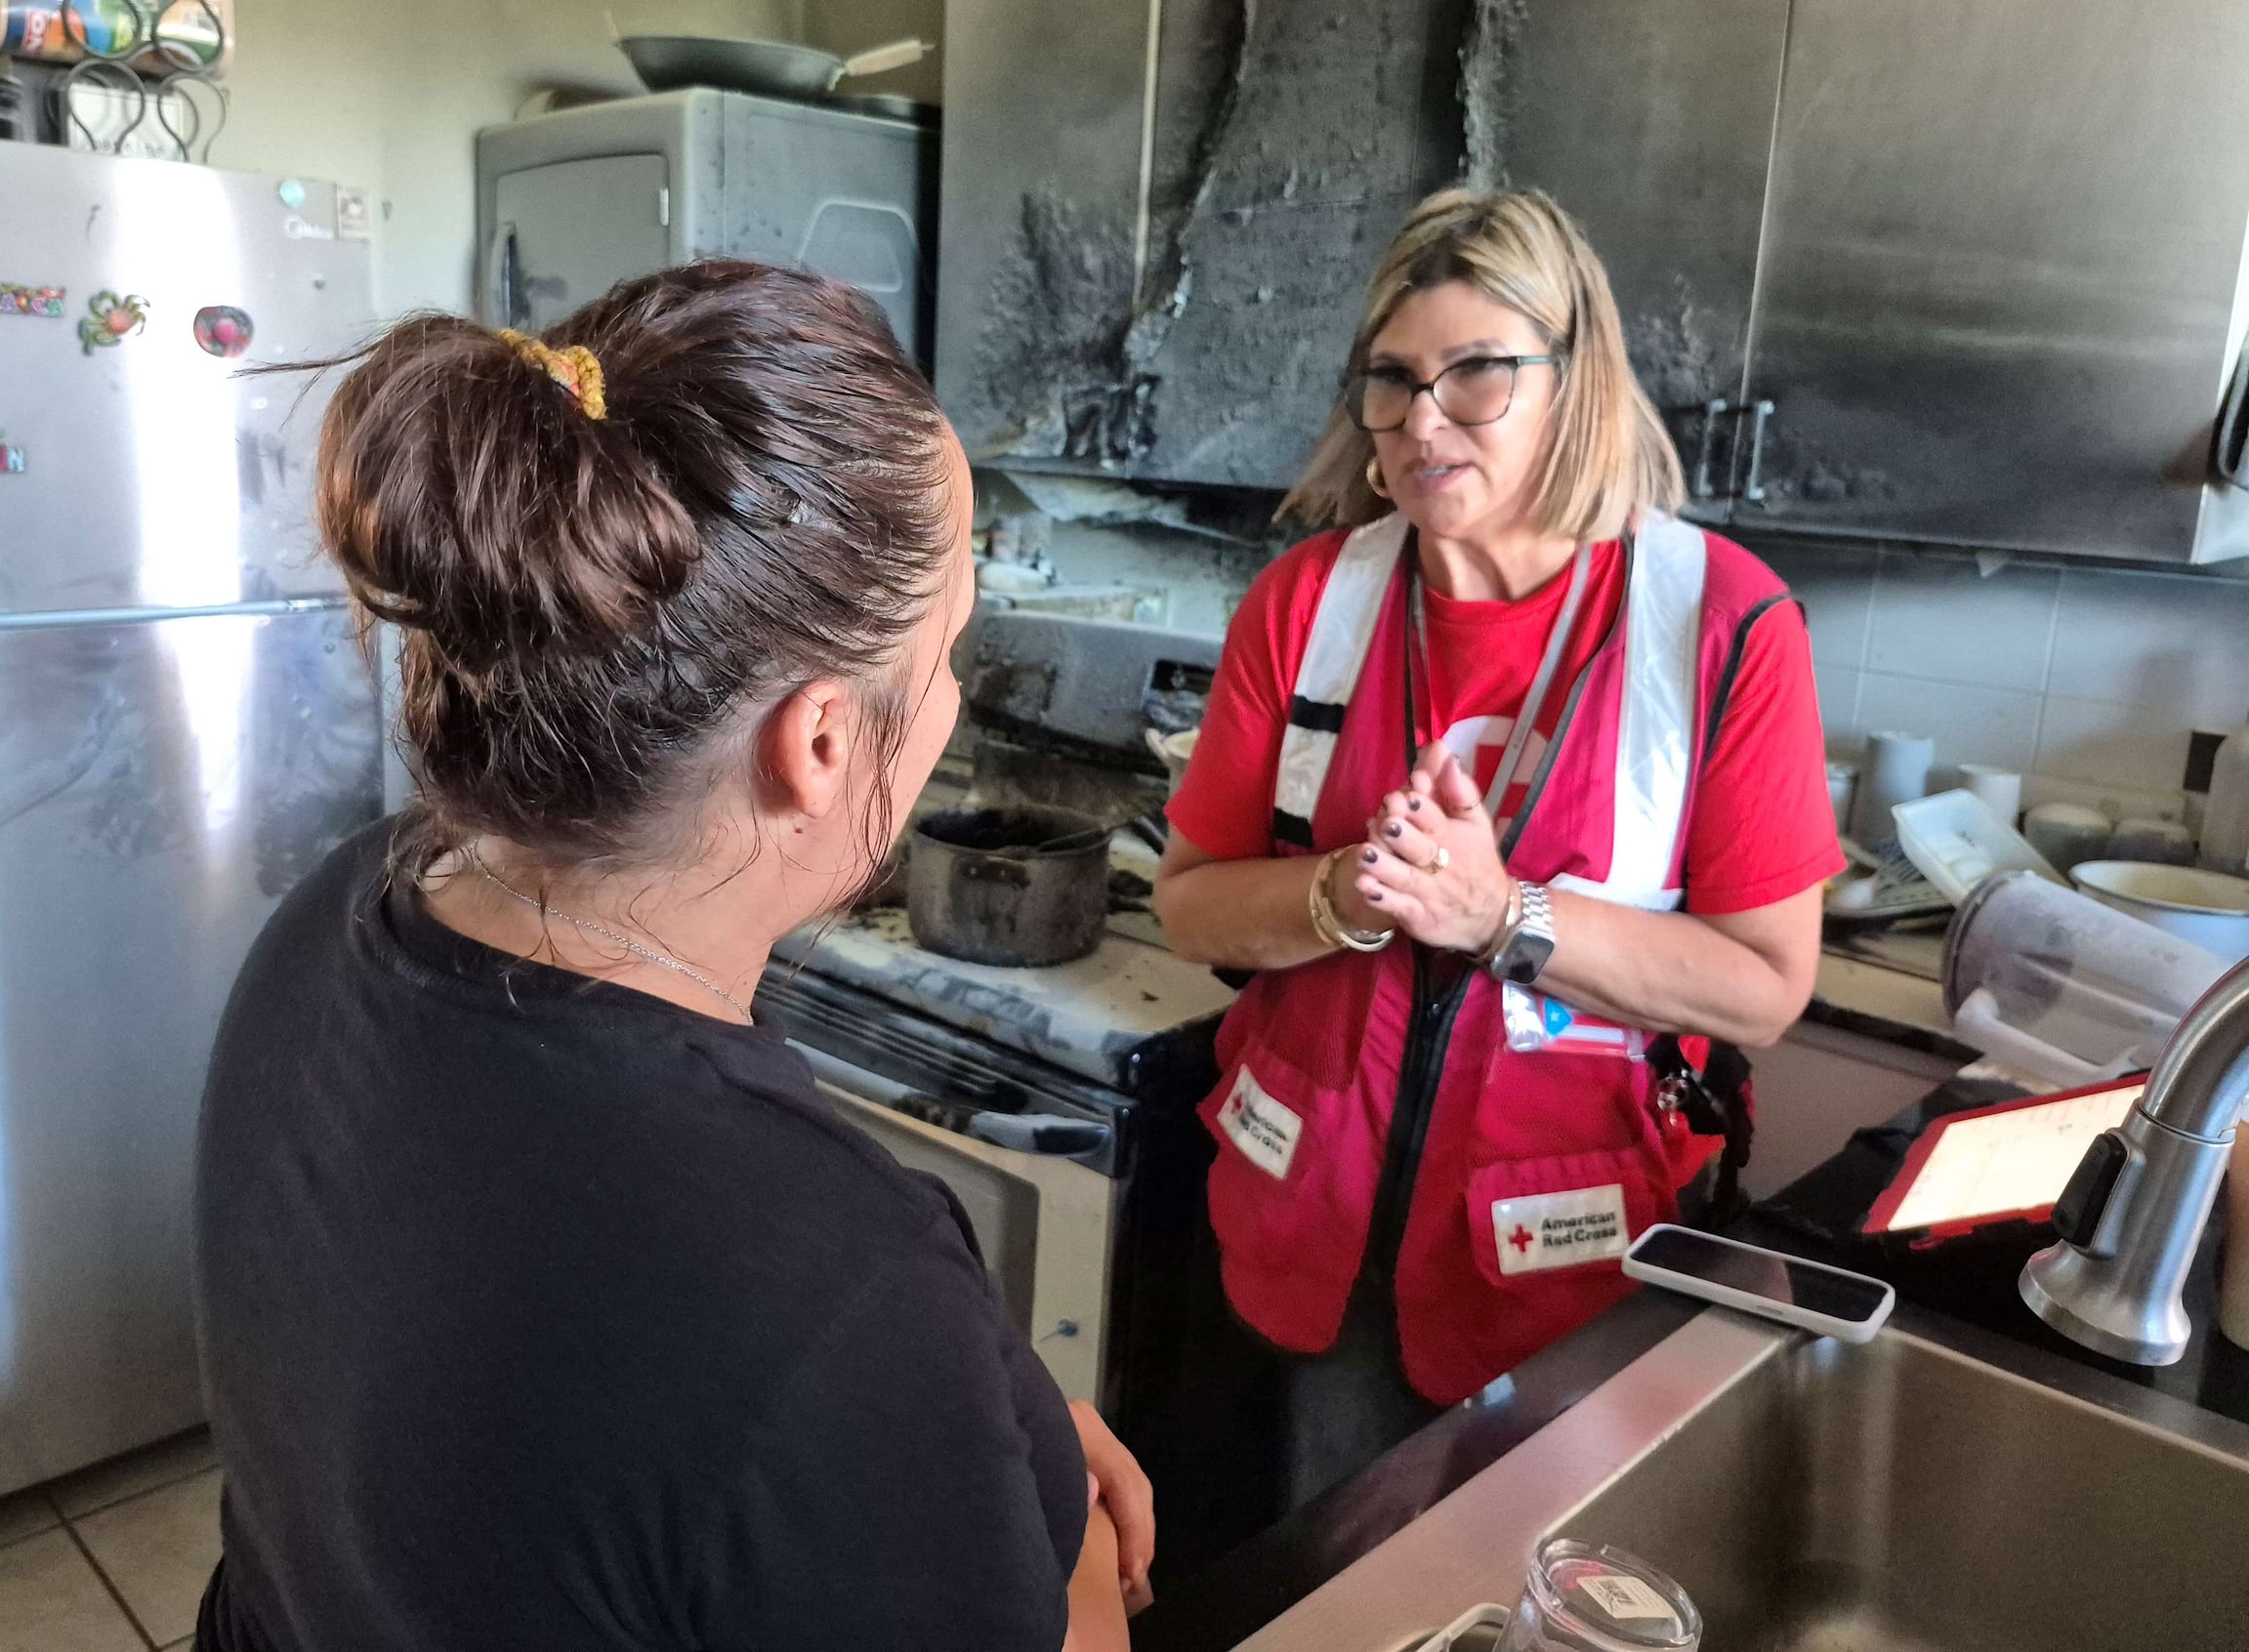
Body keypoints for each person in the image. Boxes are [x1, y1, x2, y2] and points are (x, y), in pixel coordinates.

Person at [190, 262, 1152, 1652]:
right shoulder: (839, 1290)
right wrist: (1046, 1544)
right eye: (950, 653)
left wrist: (952, 1457)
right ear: (819, 745)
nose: (948, 700)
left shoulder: (341, 912)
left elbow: (540, 1461)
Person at [1150, 188, 1845, 1507]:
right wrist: (1342, 893)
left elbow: (1763, 982)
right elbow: (1190, 909)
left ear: (1573, 383)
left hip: (1566, 1274)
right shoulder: (1309, 602)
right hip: (1294, 1240)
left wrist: (1501, 915)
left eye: (1478, 376)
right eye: (1396, 380)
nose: (1423, 421)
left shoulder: (1726, 625)